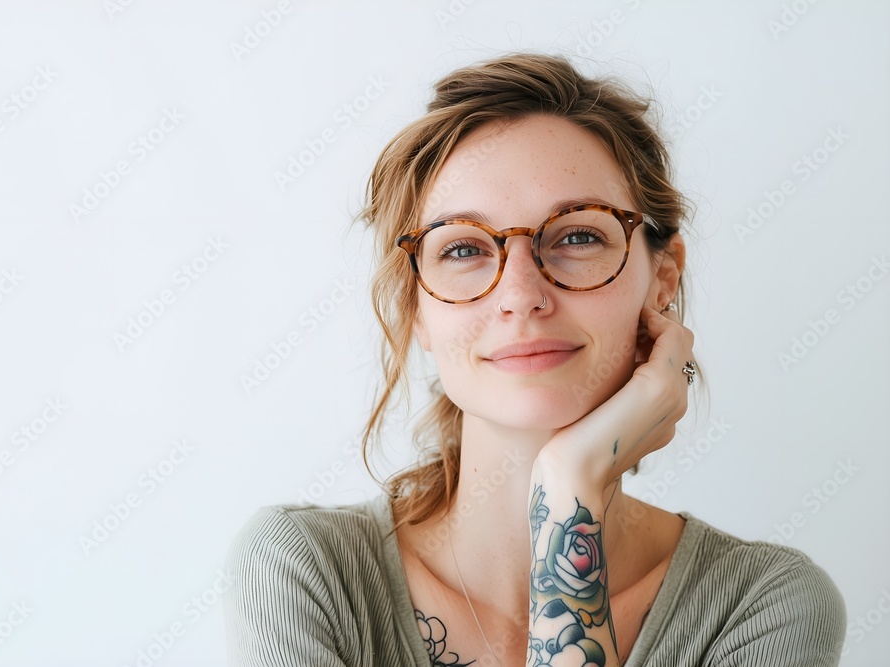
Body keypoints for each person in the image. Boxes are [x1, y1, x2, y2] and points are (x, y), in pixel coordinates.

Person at [224, 52, 846, 666]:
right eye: (463, 249)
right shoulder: (301, 572)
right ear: (417, 310)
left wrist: (569, 490)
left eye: (577, 235)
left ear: (661, 280)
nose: (520, 296)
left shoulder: (763, 607)